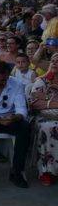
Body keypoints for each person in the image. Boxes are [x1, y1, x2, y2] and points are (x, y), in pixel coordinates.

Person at [28, 52, 58, 186]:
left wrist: (46, 99)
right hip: (45, 117)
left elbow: (41, 100)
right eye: (53, 60)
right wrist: (50, 103)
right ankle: (47, 171)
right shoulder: (42, 81)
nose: (55, 63)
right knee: (49, 128)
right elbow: (34, 103)